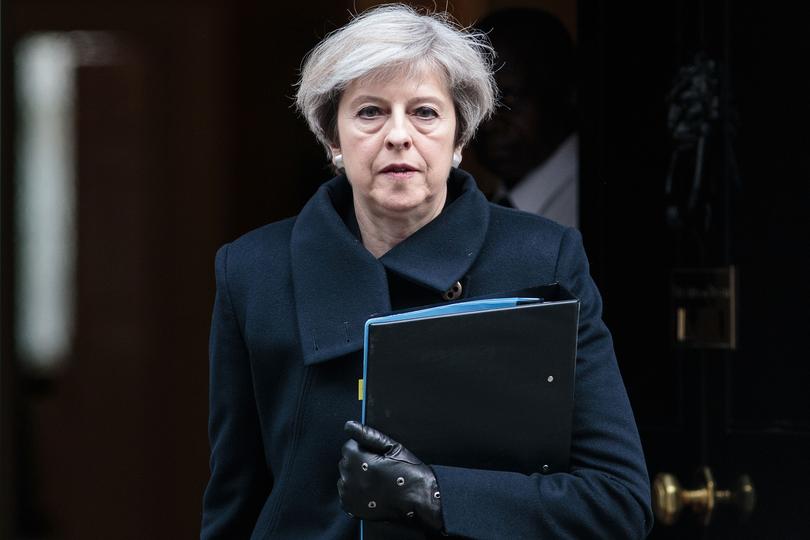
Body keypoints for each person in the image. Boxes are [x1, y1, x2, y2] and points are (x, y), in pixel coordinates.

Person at [201, 4, 652, 539]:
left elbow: (619, 501)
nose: (398, 135)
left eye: (425, 112)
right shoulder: (253, 270)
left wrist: (434, 495)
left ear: (461, 139)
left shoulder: (542, 257)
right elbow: (234, 503)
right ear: (332, 138)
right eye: (369, 111)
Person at [472, 8, 580, 228]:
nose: (488, 122)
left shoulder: (588, 207)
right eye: (476, 102)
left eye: (509, 98)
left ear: (566, 92)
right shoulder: (483, 207)